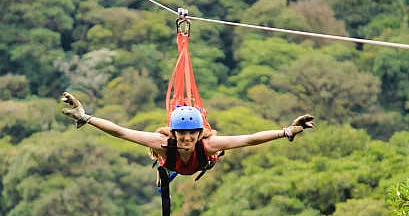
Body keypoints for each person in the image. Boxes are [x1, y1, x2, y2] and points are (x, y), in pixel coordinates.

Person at [61, 92, 315, 171]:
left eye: (192, 134)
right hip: (171, 164)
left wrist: (286, 131)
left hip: (202, 162)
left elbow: (248, 139)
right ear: (173, 133)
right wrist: (86, 117)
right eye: (182, 135)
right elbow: (122, 132)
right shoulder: (163, 143)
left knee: (216, 147)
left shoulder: (208, 145)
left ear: (199, 132)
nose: (187, 139)